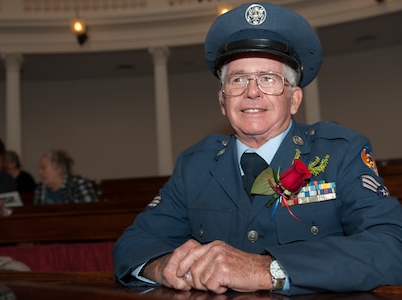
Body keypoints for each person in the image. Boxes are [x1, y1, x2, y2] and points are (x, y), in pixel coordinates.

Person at [113, 2, 402, 296]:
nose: (252, 92)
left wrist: (265, 270)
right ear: (223, 101)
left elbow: (391, 246)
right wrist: (164, 266)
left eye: (268, 79)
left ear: (294, 99)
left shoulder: (340, 152)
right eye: (238, 80)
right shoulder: (194, 165)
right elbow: (133, 245)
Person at [34, 149, 98, 205]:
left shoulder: (78, 183)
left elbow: (90, 210)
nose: (40, 172)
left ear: (58, 168)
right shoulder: (41, 189)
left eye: (43, 168)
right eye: (39, 168)